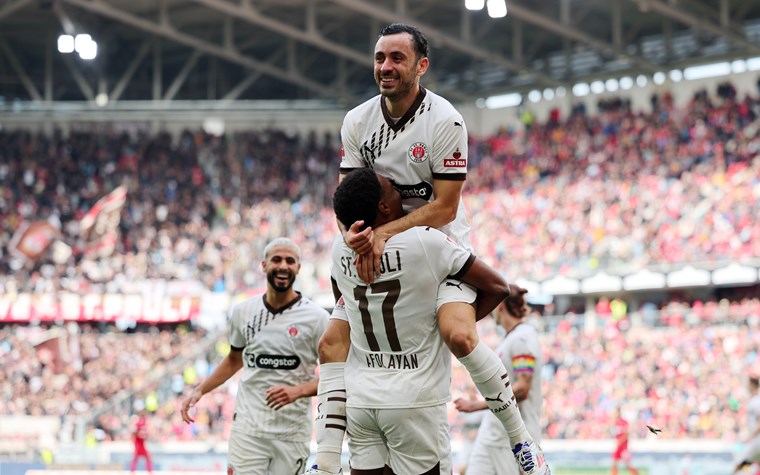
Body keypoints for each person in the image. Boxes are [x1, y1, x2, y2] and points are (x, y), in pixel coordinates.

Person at [311, 23, 548, 475]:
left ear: (422, 65)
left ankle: (523, 444)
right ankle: (324, 463)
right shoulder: (357, 121)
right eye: (380, 57)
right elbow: (347, 195)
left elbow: (444, 206)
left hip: (439, 246)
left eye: (397, 58)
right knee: (331, 342)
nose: (385, 67)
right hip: (376, 246)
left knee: (457, 335)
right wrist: (353, 235)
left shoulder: (446, 121)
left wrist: (386, 233)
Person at [310, 168, 536, 475]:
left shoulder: (340, 251)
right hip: (413, 400)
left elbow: (345, 301)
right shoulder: (425, 242)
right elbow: (498, 287)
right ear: (384, 207)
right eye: (391, 187)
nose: (400, 188)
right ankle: (522, 441)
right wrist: (442, 328)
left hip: (361, 402)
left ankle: (324, 464)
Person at [180, 238, 329, 475]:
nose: (283, 266)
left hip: (291, 431)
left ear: (298, 268)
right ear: (264, 265)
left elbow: (338, 375)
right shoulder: (242, 312)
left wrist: (298, 391)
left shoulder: (317, 318)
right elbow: (233, 359)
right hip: (248, 430)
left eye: (290, 261)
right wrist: (200, 390)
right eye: (277, 259)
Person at [454, 293, 544, 475]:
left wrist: (477, 405)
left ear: (501, 305)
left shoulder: (523, 338)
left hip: (510, 437)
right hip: (492, 432)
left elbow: (522, 388)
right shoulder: (511, 339)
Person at [733, 376, 760, 474]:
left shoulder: (756, 401)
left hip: (757, 441)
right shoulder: (754, 400)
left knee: (739, 466)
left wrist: (750, 436)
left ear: (752, 385)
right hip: (756, 441)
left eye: (748, 385)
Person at [610, 407, 640, 475]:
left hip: (623, 447)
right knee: (614, 463)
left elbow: (627, 433)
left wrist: (620, 441)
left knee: (628, 464)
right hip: (618, 447)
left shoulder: (623, 422)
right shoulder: (615, 422)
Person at [129, 409, 153, 473]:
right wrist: (139, 434)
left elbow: (146, 434)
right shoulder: (138, 423)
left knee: (137, 457)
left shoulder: (142, 423)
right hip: (139, 442)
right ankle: (149, 471)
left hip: (140, 443)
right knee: (145, 457)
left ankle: (133, 470)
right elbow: (133, 432)